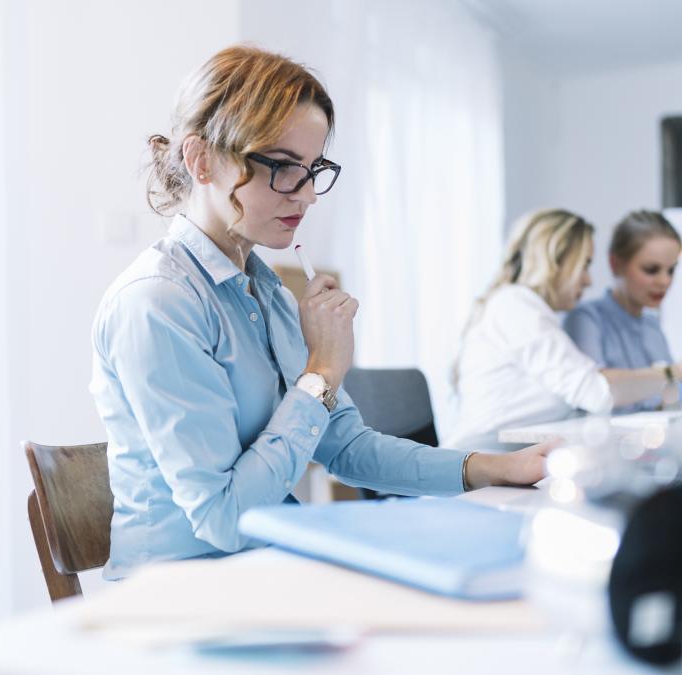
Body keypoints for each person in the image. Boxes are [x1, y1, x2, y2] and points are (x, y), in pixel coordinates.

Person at [89, 46, 552, 579]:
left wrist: (496, 468)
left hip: (267, 571)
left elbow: (347, 446)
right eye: (284, 168)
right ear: (201, 161)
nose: (306, 196)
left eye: (314, 170)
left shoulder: (265, 291)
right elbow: (225, 518)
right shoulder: (157, 302)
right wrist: (321, 374)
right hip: (180, 596)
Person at [449, 208, 682, 449]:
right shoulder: (514, 305)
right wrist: (677, 372)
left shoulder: (532, 312)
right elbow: (596, 393)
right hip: (481, 460)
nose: (588, 280)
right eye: (583, 265)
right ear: (554, 263)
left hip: (516, 458)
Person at [564, 210, 682, 413]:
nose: (664, 281)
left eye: (671, 270)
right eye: (651, 269)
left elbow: (665, 398)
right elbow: (594, 391)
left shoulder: (652, 325)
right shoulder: (585, 320)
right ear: (616, 265)